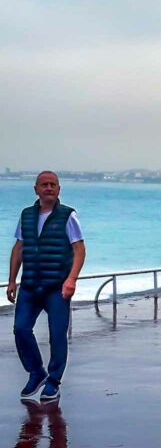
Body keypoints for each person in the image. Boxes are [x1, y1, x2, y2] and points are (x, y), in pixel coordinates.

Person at [7, 171, 86, 404]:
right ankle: (36, 372)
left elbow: (79, 249)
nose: (48, 188)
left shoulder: (68, 216)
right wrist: (12, 279)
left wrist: (72, 279)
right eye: (44, 184)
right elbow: (19, 247)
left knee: (57, 335)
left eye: (53, 185)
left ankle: (53, 382)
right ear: (36, 189)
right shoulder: (26, 215)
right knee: (21, 330)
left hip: (57, 287)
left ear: (59, 189)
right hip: (30, 285)